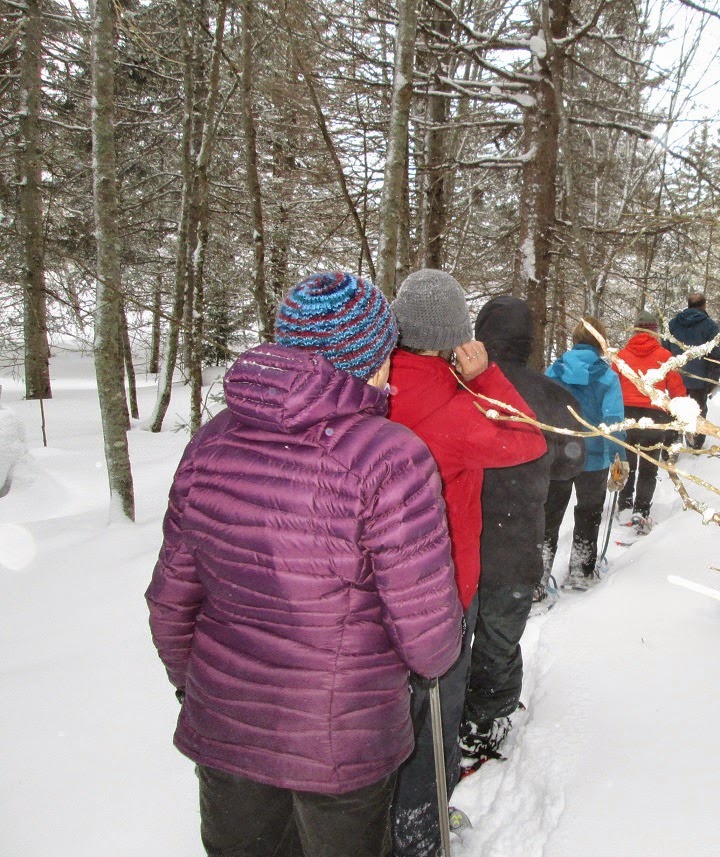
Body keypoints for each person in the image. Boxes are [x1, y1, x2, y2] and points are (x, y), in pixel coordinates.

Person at [146, 271, 463, 857]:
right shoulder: (390, 457)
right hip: (340, 738)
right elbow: (428, 636)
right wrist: (436, 661)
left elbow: (170, 598)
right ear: (366, 359)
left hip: (226, 726)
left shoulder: (212, 441)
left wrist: (195, 684)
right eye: (385, 353)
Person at [386, 270, 548, 857]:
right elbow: (527, 439)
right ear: (456, 336)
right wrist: (486, 375)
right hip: (442, 586)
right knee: (433, 716)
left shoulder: (367, 385)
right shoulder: (455, 407)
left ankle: (377, 819)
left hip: (369, 587)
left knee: (380, 714)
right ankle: (421, 829)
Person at [460, 296, 585, 761]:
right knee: (498, 634)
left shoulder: (457, 385)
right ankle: (484, 720)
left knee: (453, 635)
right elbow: (572, 463)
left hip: (454, 538)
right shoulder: (552, 395)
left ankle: (462, 713)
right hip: (514, 538)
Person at [542, 316, 627, 588]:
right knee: (589, 512)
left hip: (558, 455)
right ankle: (581, 571)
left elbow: (541, 411)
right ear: (601, 344)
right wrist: (619, 459)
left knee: (549, 516)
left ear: (575, 341)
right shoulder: (607, 376)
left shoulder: (555, 370)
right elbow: (613, 420)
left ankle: (537, 578)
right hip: (595, 456)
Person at [614, 309, 686, 535]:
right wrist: (681, 412)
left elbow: (611, 387)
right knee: (648, 468)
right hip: (654, 418)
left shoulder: (621, 356)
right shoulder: (665, 356)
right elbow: (677, 390)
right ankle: (641, 511)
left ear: (635, 330)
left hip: (626, 416)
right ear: (654, 332)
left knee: (625, 464)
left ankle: (624, 505)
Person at [667, 292, 720, 448]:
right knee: (698, 411)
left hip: (676, 377)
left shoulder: (672, 324)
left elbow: (665, 350)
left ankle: (672, 443)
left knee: (674, 410)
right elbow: (715, 356)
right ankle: (695, 445)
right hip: (700, 378)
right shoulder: (710, 326)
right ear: (704, 305)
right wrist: (713, 380)